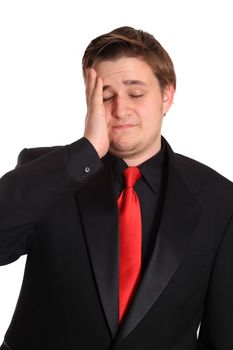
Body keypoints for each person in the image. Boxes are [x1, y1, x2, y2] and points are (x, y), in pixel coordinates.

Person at [0, 26, 233, 350]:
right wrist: (85, 151)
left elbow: (224, 335)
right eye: (106, 95)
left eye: (135, 93)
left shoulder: (220, 199)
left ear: (167, 95)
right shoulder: (49, 174)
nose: (120, 109)